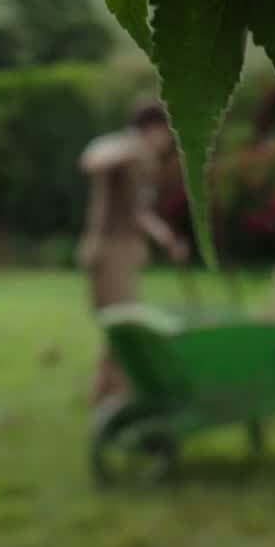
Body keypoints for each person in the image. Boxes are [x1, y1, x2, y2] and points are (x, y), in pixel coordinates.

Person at [77, 98, 190, 409]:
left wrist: (167, 239)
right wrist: (133, 147)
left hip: (125, 251)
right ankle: (114, 399)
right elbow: (90, 159)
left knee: (122, 326)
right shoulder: (127, 149)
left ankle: (109, 396)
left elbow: (139, 212)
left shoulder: (146, 161)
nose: (167, 141)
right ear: (153, 129)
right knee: (123, 326)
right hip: (109, 249)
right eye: (165, 133)